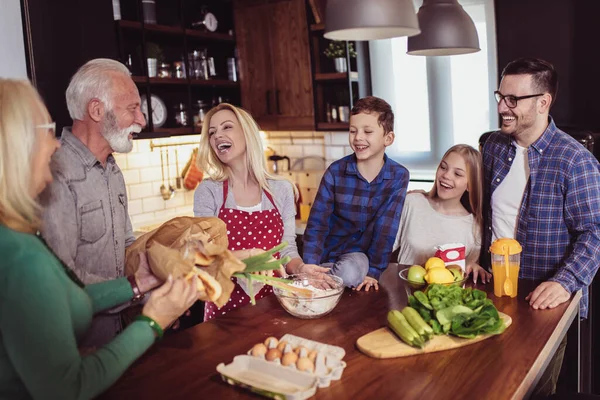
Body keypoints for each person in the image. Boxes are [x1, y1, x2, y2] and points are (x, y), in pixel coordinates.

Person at [0, 78, 200, 399]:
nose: (54, 144)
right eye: (45, 130)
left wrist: (140, 282)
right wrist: (153, 322)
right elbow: (67, 389)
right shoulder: (21, 253)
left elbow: (61, 297)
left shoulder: (111, 171)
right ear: (15, 148)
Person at [481, 57, 600, 397]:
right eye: (500, 96)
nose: (503, 107)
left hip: (540, 299)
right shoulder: (492, 147)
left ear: (544, 101)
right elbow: (483, 213)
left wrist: (565, 281)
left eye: (513, 100)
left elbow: (596, 230)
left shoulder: (575, 160)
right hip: (493, 290)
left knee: (531, 390)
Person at [39, 58, 146, 347]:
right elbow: (64, 277)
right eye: (132, 108)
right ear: (96, 110)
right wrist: (138, 288)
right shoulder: (55, 174)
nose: (142, 120)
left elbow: (126, 247)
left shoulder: (112, 170)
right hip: (80, 346)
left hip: (121, 336)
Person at [193, 103, 335, 321]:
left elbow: (286, 251)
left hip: (276, 303)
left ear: (246, 133)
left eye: (226, 127)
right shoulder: (208, 191)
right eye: (212, 132)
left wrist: (302, 268)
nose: (217, 135)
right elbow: (204, 256)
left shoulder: (281, 189)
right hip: (225, 309)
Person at [303, 96, 409, 292]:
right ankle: (323, 277)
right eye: (353, 131)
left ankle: (329, 280)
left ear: (388, 138)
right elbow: (317, 223)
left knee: (350, 273)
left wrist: (374, 271)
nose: (358, 137)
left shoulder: (398, 176)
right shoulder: (335, 171)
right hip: (327, 252)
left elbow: (386, 228)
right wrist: (310, 265)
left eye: (368, 131)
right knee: (323, 275)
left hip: (356, 257)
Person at [393, 144, 492, 283]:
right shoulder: (412, 202)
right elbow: (382, 247)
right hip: (404, 294)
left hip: (446, 301)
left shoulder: (474, 227)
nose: (446, 175)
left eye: (457, 174)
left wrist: (474, 267)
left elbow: (466, 271)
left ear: (470, 185)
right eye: (443, 167)